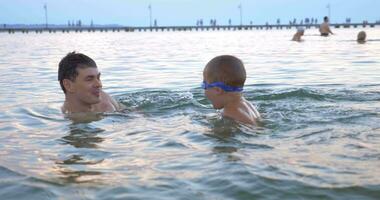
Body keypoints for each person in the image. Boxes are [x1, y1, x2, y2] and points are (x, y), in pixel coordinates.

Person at [202, 55, 261, 125]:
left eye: (204, 85)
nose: (204, 90)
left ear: (217, 90)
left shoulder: (229, 112)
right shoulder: (247, 105)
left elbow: (220, 134)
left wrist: (191, 127)